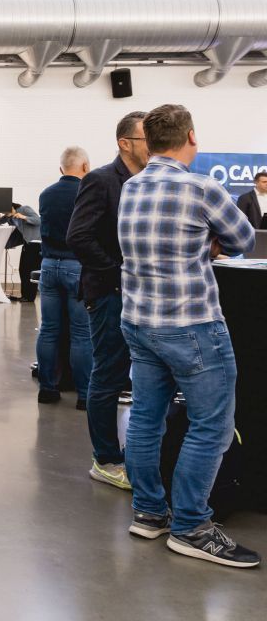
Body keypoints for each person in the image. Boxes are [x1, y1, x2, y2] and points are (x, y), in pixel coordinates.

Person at [118, 104, 259, 567]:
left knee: (145, 420)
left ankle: (148, 513)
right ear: (191, 137)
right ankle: (191, 527)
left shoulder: (132, 186)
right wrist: (210, 242)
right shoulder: (202, 188)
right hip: (192, 326)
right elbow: (244, 240)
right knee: (211, 425)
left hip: (139, 322)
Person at [67, 110, 148, 490]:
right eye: (147, 138)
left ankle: (138, 456)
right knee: (109, 375)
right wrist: (118, 271)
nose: (155, 146)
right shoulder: (100, 180)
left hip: (144, 295)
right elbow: (78, 236)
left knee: (142, 377)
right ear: (125, 143)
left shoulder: (149, 181)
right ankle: (106, 459)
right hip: (110, 294)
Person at [35, 147, 93, 407]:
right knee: (81, 333)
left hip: (48, 266)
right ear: (85, 167)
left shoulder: (46, 194)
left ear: (61, 168)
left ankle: (47, 389)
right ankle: (84, 396)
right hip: (76, 267)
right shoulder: (87, 193)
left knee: (48, 330)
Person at [3, 201, 41, 301]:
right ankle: (25, 296)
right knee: (23, 270)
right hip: (27, 244)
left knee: (29, 270)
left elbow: (38, 220)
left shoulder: (24, 209)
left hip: (36, 243)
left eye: (6, 212)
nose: (5, 214)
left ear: (12, 207)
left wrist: (23, 217)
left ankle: (30, 297)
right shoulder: (11, 217)